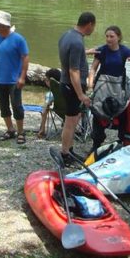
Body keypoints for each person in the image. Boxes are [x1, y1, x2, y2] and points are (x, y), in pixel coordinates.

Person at [87, 25, 130, 148]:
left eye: (112, 36)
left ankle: (122, 142)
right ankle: (96, 144)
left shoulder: (124, 50)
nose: (108, 39)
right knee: (98, 114)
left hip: (118, 88)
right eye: (107, 36)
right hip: (103, 85)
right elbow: (93, 69)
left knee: (122, 113)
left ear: (118, 37)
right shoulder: (102, 50)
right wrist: (90, 86)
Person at [0, 10, 30, 145]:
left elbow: (25, 57)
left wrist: (22, 77)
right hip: (0, 79)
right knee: (3, 105)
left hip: (14, 80)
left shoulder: (18, 39)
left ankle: (21, 132)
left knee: (17, 106)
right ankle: (10, 129)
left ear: (5, 26)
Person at [57, 11, 96, 166]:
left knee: (73, 118)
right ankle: (65, 154)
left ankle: (70, 149)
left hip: (64, 84)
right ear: (89, 25)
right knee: (70, 122)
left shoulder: (67, 35)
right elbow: (74, 71)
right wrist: (81, 95)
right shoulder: (77, 42)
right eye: (94, 26)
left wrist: (87, 52)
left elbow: (69, 55)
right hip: (72, 87)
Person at [36, 68, 61, 139]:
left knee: (46, 108)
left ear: (51, 82)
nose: (45, 81)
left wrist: (42, 128)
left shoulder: (50, 94)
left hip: (60, 111)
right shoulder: (66, 90)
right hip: (72, 114)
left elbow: (44, 112)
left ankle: (42, 130)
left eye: (46, 80)